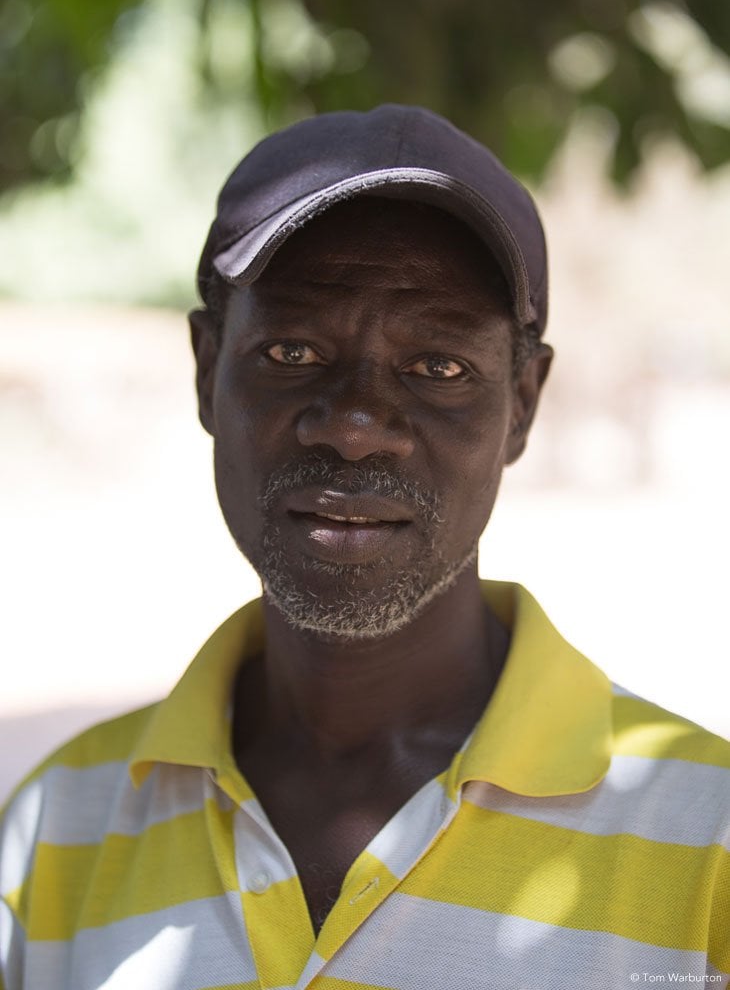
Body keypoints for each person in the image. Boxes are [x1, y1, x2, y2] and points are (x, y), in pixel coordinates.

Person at [0, 104, 728, 990]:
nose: (352, 428)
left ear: (524, 406)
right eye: (294, 349)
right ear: (206, 370)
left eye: (439, 368)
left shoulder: (706, 842)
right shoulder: (54, 832)